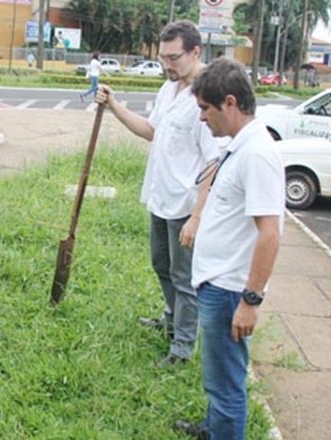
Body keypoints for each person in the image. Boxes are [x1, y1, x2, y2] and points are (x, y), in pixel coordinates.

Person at [95, 20, 221, 367]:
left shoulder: (205, 97)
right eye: (163, 57)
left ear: (196, 52)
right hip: (161, 197)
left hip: (185, 205)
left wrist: (197, 216)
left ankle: (182, 347)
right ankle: (171, 320)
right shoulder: (170, 89)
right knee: (161, 265)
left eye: (174, 57)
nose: (166, 64)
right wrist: (114, 107)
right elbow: (151, 131)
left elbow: (214, 161)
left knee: (184, 278)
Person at [174, 58, 285, 440]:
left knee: (226, 385)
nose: (202, 119)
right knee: (217, 373)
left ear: (231, 103)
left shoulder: (257, 155)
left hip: (229, 290)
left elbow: (269, 233)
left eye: (206, 108)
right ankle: (212, 429)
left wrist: (250, 301)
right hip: (216, 283)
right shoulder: (239, 147)